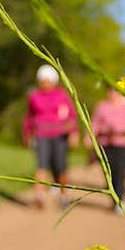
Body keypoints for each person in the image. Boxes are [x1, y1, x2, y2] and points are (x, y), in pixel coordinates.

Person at [22, 64, 80, 209]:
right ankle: (39, 196)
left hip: (59, 136)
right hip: (41, 135)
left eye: (48, 81)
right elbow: (29, 117)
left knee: (60, 167)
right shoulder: (34, 97)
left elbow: (72, 116)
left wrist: (74, 132)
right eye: (43, 81)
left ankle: (64, 195)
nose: (45, 84)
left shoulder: (62, 95)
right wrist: (27, 134)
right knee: (41, 165)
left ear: (54, 81)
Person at [87, 86, 125, 209]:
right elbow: (94, 124)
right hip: (106, 144)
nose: (113, 94)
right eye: (111, 91)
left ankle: (120, 200)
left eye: (116, 91)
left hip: (123, 145)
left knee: (120, 171)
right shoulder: (102, 107)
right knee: (109, 172)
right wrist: (89, 138)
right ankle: (114, 199)